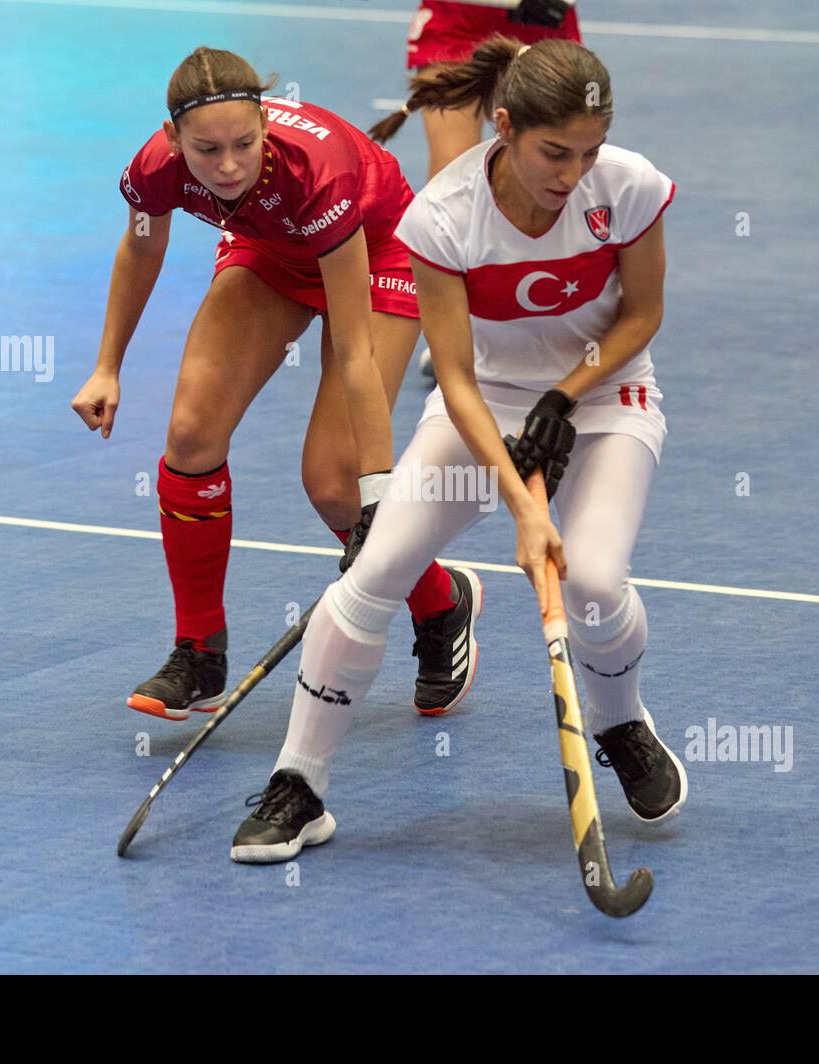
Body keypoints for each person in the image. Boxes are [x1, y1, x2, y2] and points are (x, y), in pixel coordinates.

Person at [231, 37, 686, 864]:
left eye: (589, 150)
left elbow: (641, 316)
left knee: (589, 579)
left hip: (607, 397)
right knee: (372, 577)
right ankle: (300, 783)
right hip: (484, 402)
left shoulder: (629, 186)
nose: (573, 172)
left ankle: (622, 724)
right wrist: (520, 500)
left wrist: (564, 395)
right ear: (504, 127)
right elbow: (458, 377)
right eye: (555, 152)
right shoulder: (442, 216)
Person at [70, 47, 482, 722]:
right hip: (269, 247)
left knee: (333, 485)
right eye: (206, 151)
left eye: (243, 144)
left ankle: (440, 603)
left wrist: (376, 492)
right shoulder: (153, 170)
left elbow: (352, 349)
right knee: (191, 433)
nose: (227, 165)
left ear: (265, 124)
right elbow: (142, 246)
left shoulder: (318, 173)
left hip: (375, 253)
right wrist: (107, 365)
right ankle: (199, 650)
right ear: (174, 140)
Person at [404, 0, 584, 378]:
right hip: (460, 17)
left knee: (551, 167)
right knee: (452, 182)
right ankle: (455, 332)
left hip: (543, 17)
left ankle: (546, 309)